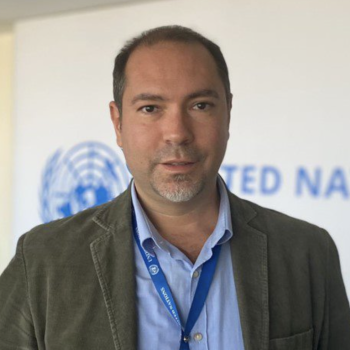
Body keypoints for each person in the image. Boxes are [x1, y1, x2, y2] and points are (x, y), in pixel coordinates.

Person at [0, 25, 349, 350]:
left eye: (200, 105)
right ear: (118, 123)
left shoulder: (307, 253)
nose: (177, 132)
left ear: (228, 113)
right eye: (150, 108)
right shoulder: (45, 260)